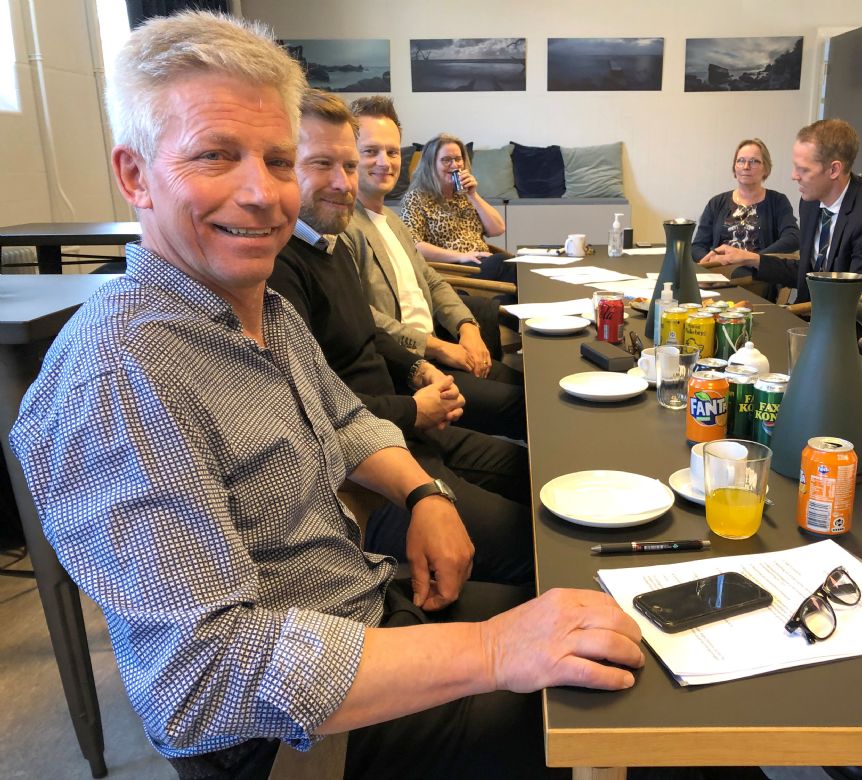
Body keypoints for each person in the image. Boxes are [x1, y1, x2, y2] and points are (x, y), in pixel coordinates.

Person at [7, 12, 642, 779]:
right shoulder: (118, 376)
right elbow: (202, 683)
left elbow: (341, 419)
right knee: (629, 719)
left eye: (277, 160)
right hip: (290, 739)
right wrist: (493, 649)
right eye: (215, 155)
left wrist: (425, 495)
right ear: (135, 175)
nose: (260, 192)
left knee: (624, 642)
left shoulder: (264, 309)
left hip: (361, 610)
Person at [269, 89, 532, 584]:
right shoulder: (280, 268)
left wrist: (418, 367)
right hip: (377, 463)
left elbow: (369, 331)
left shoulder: (329, 243)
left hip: (406, 429)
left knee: (535, 473)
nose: (344, 181)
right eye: (322, 163)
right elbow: (317, 411)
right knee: (530, 542)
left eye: (349, 165)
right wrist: (415, 405)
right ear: (281, 167)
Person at [348, 95, 526, 441]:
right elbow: (364, 317)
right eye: (370, 151)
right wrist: (441, 348)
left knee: (531, 385)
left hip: (437, 347)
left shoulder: (391, 221)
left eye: (392, 151)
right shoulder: (347, 228)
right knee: (525, 406)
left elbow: (431, 280)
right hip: (411, 368)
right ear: (348, 155)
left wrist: (467, 327)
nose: (384, 162)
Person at [705, 119, 862, 331]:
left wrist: (793, 315)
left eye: (802, 169)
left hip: (856, 333)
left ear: (834, 169)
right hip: (814, 318)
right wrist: (750, 258)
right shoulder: (811, 203)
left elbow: (857, 298)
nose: (794, 176)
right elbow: (809, 272)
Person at [399, 132, 518, 286]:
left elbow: (498, 229)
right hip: (453, 271)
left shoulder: (465, 196)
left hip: (481, 264)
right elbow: (414, 245)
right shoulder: (416, 198)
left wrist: (473, 195)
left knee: (519, 268)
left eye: (458, 159)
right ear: (431, 164)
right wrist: (461, 256)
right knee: (505, 263)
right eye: (446, 160)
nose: (455, 165)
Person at [692, 138, 800, 300]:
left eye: (754, 161)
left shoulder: (777, 201)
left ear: (766, 168)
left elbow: (793, 237)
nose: (746, 166)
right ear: (734, 167)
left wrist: (751, 259)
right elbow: (697, 246)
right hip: (717, 278)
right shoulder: (716, 203)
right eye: (741, 161)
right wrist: (713, 261)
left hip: (757, 280)